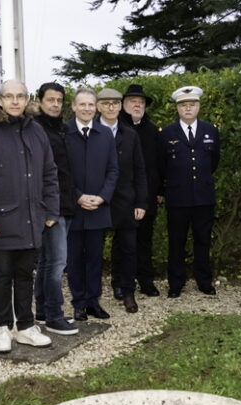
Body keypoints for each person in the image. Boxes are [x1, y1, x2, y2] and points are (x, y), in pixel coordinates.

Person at [0, 80, 60, 353]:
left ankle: (26, 326)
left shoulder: (36, 131)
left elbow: (49, 173)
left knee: (25, 274)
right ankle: (3, 327)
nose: (15, 101)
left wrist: (51, 210)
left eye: (20, 96)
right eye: (9, 96)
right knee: (3, 275)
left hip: (33, 218)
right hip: (2, 220)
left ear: (27, 98)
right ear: (0, 100)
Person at [159, 86, 220, 298]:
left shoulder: (210, 130)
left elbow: (213, 162)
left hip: (203, 197)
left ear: (198, 107)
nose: (188, 108)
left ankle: (204, 281)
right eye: (183, 105)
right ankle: (176, 283)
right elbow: (162, 165)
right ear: (177, 108)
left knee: (203, 240)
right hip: (178, 197)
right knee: (177, 242)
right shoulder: (167, 133)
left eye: (192, 104)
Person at [64, 88, 119, 321]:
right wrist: (78, 196)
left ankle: (93, 301)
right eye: (82, 104)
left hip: (98, 207)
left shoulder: (105, 134)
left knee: (95, 258)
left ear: (96, 107)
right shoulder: (63, 133)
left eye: (90, 104)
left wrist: (102, 196)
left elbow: (113, 170)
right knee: (74, 258)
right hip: (73, 208)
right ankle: (78, 302)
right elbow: (59, 173)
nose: (86, 108)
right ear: (74, 107)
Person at [32, 82, 79, 336]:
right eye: (50, 99)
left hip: (66, 204)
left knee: (48, 260)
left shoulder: (61, 129)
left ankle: (41, 309)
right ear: (40, 101)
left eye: (59, 100)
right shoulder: (36, 129)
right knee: (57, 263)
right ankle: (54, 315)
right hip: (51, 207)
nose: (55, 104)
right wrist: (46, 209)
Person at [98, 88, 148, 313]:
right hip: (97, 201)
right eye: (106, 103)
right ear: (99, 106)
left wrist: (141, 202)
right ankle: (90, 296)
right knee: (93, 250)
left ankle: (126, 290)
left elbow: (140, 170)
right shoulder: (91, 131)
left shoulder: (130, 135)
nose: (111, 108)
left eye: (115, 104)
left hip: (126, 201)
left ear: (120, 107)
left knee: (128, 248)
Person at [119, 84, 162, 297]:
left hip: (147, 196)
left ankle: (146, 281)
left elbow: (158, 164)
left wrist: (159, 190)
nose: (137, 105)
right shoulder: (115, 127)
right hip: (122, 197)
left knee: (145, 241)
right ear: (123, 105)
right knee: (122, 243)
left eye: (141, 103)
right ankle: (120, 284)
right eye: (133, 102)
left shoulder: (153, 131)